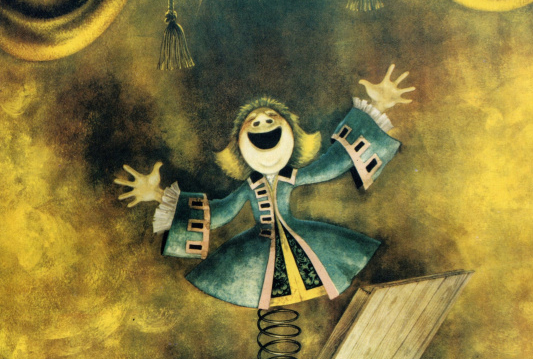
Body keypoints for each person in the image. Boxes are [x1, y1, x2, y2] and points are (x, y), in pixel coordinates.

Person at [115, 65, 414, 309]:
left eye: (271, 119)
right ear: (238, 147)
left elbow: (334, 163)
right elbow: (219, 213)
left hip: (310, 245)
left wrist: (378, 106)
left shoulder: (294, 175)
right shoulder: (249, 186)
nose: (262, 124)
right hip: (255, 255)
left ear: (293, 135)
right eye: (253, 123)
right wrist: (157, 195)